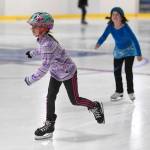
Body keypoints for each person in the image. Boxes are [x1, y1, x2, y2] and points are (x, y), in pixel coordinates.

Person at [24, 12, 105, 140]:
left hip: (68, 73)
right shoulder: (42, 39)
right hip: (56, 73)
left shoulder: (48, 44)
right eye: (32, 26)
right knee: (50, 97)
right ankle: (49, 125)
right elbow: (40, 50)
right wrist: (32, 53)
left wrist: (31, 79)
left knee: (75, 100)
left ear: (45, 28)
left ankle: (94, 105)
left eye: (35, 26)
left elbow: (44, 67)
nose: (32, 29)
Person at [95, 7, 143, 102]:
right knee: (117, 71)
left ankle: (130, 92)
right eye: (113, 14)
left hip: (130, 50)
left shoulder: (125, 27)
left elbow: (134, 39)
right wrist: (99, 43)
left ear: (121, 17)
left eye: (117, 14)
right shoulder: (110, 26)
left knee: (128, 71)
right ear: (111, 16)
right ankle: (119, 91)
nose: (115, 16)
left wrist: (139, 53)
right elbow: (104, 35)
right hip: (119, 51)